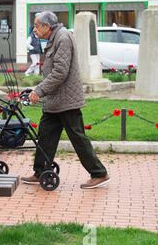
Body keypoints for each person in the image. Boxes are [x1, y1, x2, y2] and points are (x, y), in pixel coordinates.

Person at [21, 11, 110, 189]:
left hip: (67, 101)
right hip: (55, 100)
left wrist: (39, 90)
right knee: (45, 135)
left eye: (37, 26)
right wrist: (41, 89)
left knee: (77, 138)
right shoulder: (55, 37)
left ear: (47, 26)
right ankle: (40, 172)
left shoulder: (63, 38)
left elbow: (60, 72)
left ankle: (99, 173)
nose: (35, 29)